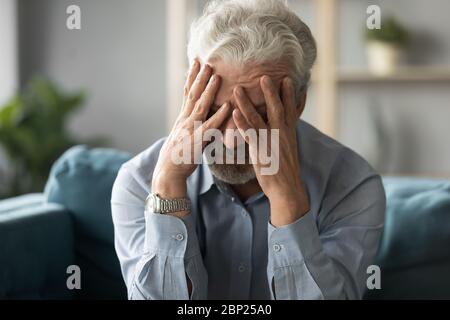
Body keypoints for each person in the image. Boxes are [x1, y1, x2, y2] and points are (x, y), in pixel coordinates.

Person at [111, 0, 386, 300]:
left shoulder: (353, 185)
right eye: (214, 111)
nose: (230, 140)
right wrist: (167, 189)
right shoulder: (140, 181)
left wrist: (288, 200)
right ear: (189, 96)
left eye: (257, 116)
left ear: (298, 105)